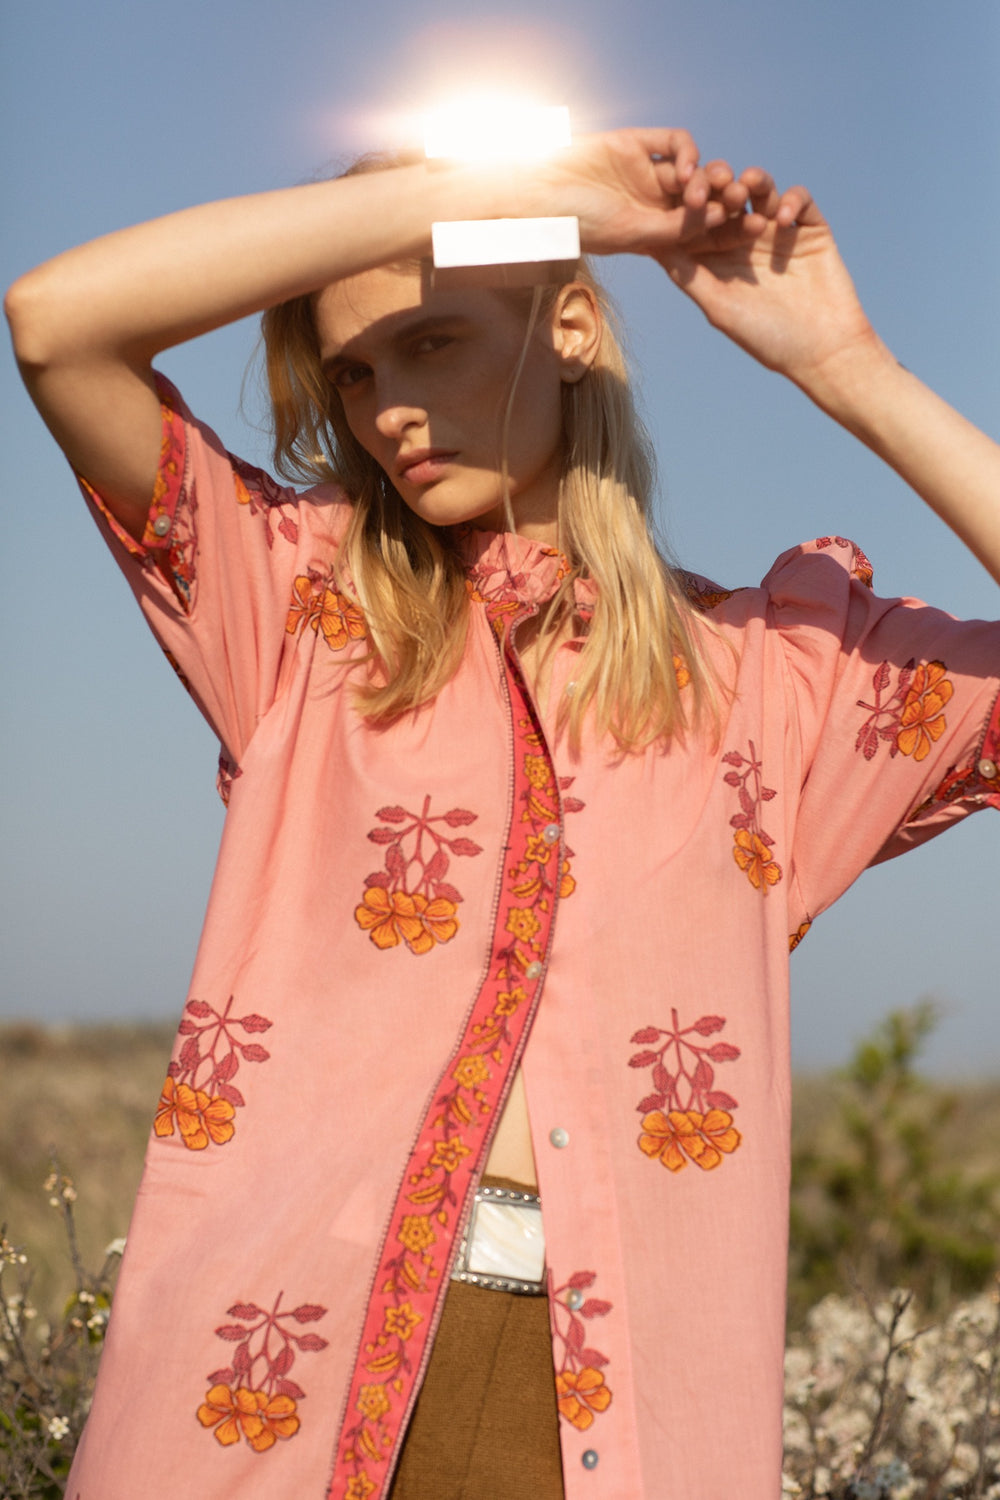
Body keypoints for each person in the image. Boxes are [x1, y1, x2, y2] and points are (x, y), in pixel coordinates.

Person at [6, 127, 999, 1500]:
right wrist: (459, 198)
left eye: (431, 343)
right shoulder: (295, 610)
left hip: (612, 1431)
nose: (385, 411)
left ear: (573, 325)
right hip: (274, 1405)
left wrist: (850, 370)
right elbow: (56, 325)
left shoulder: (782, 689)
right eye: (353, 374)